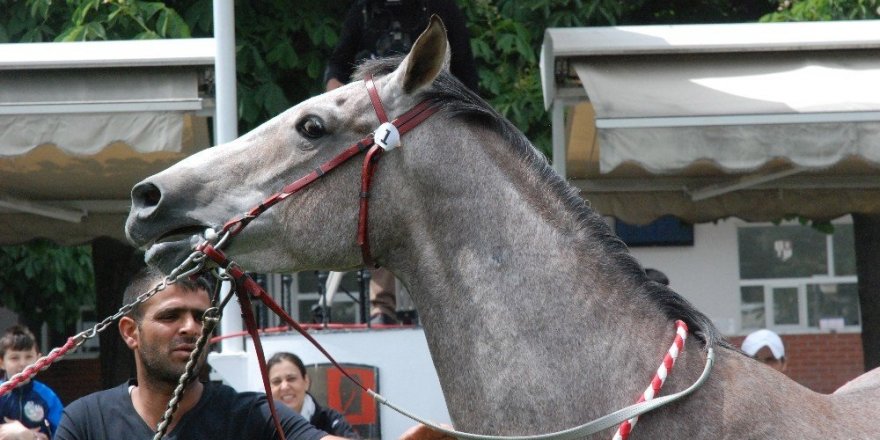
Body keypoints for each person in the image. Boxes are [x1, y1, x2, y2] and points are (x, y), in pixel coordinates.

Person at [54, 268, 344, 440]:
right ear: (131, 332)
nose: (191, 328)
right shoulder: (87, 421)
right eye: (171, 316)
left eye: (201, 317)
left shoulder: (251, 416)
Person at [324, 0, 479, 93]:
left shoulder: (442, 7)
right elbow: (338, 66)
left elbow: (465, 73)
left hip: (428, 104)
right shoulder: (363, 9)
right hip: (373, 104)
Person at [267, 352, 357, 438]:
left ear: (306, 381)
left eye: (291, 379)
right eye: (277, 381)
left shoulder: (331, 421)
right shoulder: (260, 424)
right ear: (267, 388)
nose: (285, 387)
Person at [0, 325, 63, 440]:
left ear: (38, 360)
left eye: (28, 357)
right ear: (2, 362)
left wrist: (30, 436)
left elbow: (63, 434)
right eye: (14, 358)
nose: (23, 363)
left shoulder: (48, 396)